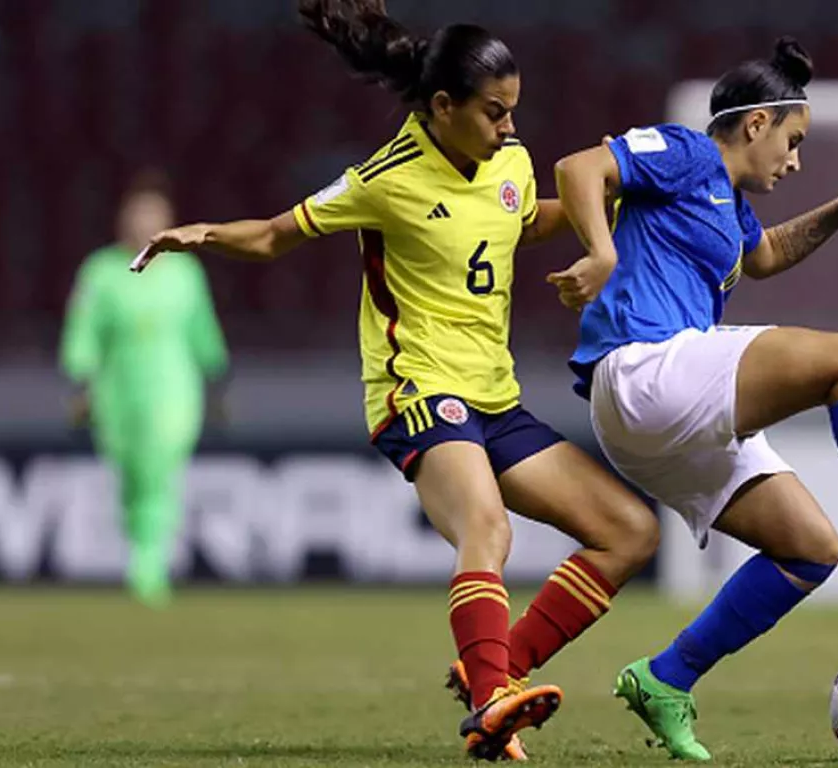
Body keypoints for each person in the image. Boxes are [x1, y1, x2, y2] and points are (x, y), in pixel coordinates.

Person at [131, 0, 659, 760]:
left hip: (493, 399)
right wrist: (204, 235)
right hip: (416, 393)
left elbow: (520, 217)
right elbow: (278, 235)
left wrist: (611, 201)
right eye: (494, 112)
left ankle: (495, 672)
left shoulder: (508, 163)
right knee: (488, 528)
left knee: (628, 533)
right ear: (442, 107)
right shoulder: (387, 178)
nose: (510, 128)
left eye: (514, 111)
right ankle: (490, 701)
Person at [548, 38, 838, 761]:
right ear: (757, 123)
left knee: (810, 549)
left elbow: (764, 257)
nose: (794, 161)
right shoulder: (686, 152)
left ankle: (665, 678)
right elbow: (580, 166)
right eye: (793, 141)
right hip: (643, 368)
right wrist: (602, 251)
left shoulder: (728, 210)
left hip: (656, 421)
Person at [60, 170, 229, 608]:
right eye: (138, 214)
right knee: (132, 476)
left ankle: (149, 565)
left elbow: (202, 332)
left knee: (158, 470)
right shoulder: (100, 272)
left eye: (153, 215)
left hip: (173, 386)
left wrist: (216, 382)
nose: (144, 223)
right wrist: (81, 383)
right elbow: (84, 332)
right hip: (116, 390)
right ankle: (143, 552)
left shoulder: (185, 272)